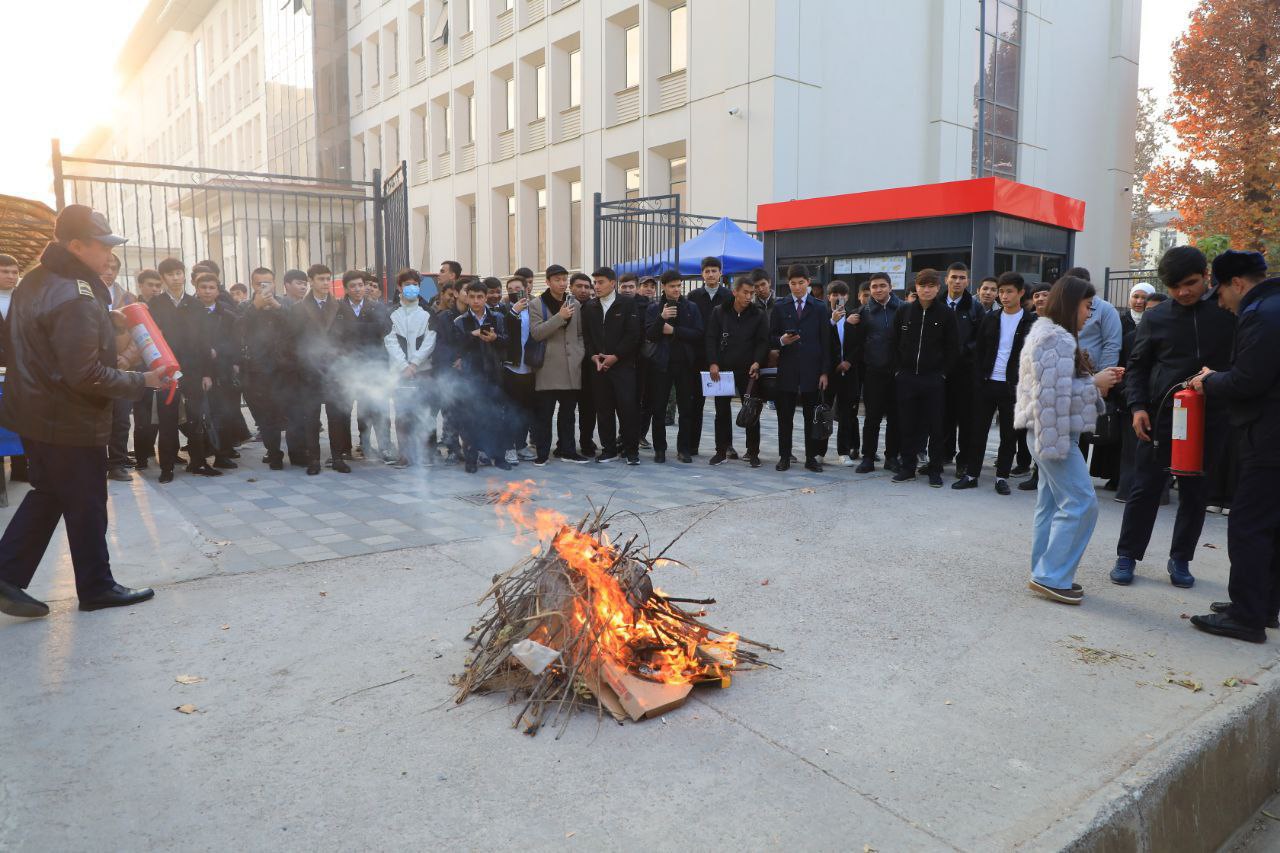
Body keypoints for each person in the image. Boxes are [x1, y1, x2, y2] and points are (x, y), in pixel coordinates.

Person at [0, 204, 165, 618]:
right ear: (75, 245)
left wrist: (103, 322)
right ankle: (96, 587)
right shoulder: (75, 293)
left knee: (52, 493)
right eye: (101, 245)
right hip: (69, 418)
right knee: (87, 502)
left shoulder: (37, 281)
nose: (109, 255)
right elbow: (85, 374)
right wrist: (142, 381)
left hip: (38, 412)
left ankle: (5, 575)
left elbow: (43, 341)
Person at [1109, 246, 1236, 589]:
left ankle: (1181, 559)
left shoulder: (1227, 314)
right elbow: (1138, 366)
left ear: (1206, 276)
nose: (1183, 292)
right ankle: (1128, 555)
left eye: (1191, 283)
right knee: (1145, 488)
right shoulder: (1157, 317)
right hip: (1161, 417)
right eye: (1176, 286)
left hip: (1212, 417)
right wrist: (1137, 407)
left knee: (1196, 493)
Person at [1187, 251, 1280, 642]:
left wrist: (1210, 383)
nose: (1221, 303)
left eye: (1221, 293)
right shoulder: (1273, 306)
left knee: (1248, 526)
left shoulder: (1262, 314)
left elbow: (1248, 381)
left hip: (1269, 437)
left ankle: (1246, 617)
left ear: (1237, 284)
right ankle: (1262, 606)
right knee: (1270, 527)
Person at [1015, 275, 1122, 604]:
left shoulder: (1051, 334)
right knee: (1081, 502)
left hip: (1050, 431)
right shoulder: (1055, 338)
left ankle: (1045, 572)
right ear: (1071, 303)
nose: (1090, 314)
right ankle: (1051, 575)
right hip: (1053, 433)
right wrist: (1096, 383)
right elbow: (1051, 395)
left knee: (1051, 505)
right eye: (1087, 306)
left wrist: (1094, 382)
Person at [953, 271, 1035, 494]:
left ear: (1020, 293)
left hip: (1013, 387)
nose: (1004, 296)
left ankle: (1002, 477)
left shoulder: (1031, 321)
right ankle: (972, 474)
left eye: (1009, 292)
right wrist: (978, 379)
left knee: (1008, 435)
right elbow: (978, 351)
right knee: (977, 431)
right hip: (987, 383)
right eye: (1001, 292)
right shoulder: (990, 318)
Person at [890, 269, 958, 486]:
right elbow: (893, 343)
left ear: (938, 288)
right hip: (907, 378)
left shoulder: (946, 314)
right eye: (922, 286)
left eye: (931, 286)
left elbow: (953, 348)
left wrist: (943, 374)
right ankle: (908, 468)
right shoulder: (904, 311)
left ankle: (935, 470)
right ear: (915, 288)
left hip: (934, 379)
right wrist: (898, 371)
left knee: (935, 426)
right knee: (907, 424)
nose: (926, 290)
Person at [291, 264, 354, 475]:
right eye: (321, 279)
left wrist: (343, 360)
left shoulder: (341, 307)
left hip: (335, 371)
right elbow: (292, 341)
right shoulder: (298, 309)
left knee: (336, 417)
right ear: (311, 280)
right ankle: (314, 460)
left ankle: (337, 458)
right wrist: (304, 364)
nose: (326, 283)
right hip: (309, 372)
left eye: (328, 278)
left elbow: (350, 338)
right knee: (311, 417)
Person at [770, 265, 831, 472]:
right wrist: (782, 340)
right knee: (784, 417)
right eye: (793, 283)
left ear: (808, 283)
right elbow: (770, 337)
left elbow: (826, 342)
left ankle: (811, 457)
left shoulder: (820, 307)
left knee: (810, 417)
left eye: (801, 283)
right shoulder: (780, 306)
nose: (797, 287)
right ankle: (784, 456)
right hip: (787, 369)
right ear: (788, 284)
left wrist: (824, 372)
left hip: (812, 370)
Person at [528, 264, 589, 466]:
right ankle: (543, 452)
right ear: (547, 282)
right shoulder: (537, 304)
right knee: (544, 414)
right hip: (547, 367)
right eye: (557, 280)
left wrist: (579, 353)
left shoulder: (575, 304)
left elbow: (579, 334)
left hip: (571, 366)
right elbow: (537, 333)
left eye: (564, 279)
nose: (562, 284)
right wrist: (559, 317)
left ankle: (567, 450)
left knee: (569, 413)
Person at [581, 266, 642, 465]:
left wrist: (615, 356)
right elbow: (587, 337)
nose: (596, 286)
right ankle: (608, 449)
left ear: (612, 283)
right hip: (599, 368)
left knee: (627, 410)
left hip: (623, 367)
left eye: (600, 282)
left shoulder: (627, 304)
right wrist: (594, 357)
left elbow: (633, 335)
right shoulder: (590, 307)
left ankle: (631, 451)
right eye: (595, 283)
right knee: (603, 410)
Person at [706, 275, 768, 468]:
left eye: (752, 293)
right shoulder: (719, 312)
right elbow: (710, 338)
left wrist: (758, 361)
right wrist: (713, 363)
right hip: (723, 370)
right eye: (745, 292)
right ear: (735, 292)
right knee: (721, 412)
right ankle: (721, 450)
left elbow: (762, 341)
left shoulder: (758, 314)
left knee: (751, 412)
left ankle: (753, 452)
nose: (749, 296)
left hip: (749, 371)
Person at [183, 271, 242, 470]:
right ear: (196, 290)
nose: (207, 291)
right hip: (196, 371)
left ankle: (222, 455)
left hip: (221, 371)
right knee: (196, 415)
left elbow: (235, 343)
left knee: (222, 414)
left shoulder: (227, 316)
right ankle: (197, 457)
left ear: (218, 290)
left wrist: (219, 351)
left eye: (211, 287)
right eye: (203, 287)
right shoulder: (188, 312)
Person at [644, 270, 704, 463]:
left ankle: (683, 449)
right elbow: (650, 335)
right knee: (658, 409)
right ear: (664, 287)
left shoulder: (691, 307)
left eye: (679, 285)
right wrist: (662, 317)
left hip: (685, 364)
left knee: (686, 409)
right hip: (661, 364)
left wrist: (674, 331)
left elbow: (698, 334)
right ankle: (659, 449)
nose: (676, 289)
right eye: (672, 286)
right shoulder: (654, 308)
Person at [452, 280, 511, 473]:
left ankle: (499, 457)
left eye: (480, 297)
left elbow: (508, 342)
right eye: (472, 297)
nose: (476, 301)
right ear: (466, 298)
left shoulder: (498, 317)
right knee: (471, 419)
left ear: (486, 298)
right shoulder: (460, 321)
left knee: (498, 417)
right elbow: (457, 347)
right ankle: (471, 459)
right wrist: (473, 334)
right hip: (471, 377)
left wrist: (496, 339)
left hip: (494, 374)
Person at [239, 267, 293, 470]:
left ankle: (296, 451)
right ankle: (274, 453)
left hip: (284, 369)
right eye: (260, 283)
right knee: (265, 416)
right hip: (257, 370)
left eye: (268, 283)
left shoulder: (285, 303)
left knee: (287, 413)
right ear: (253, 285)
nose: (264, 287)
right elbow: (238, 329)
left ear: (274, 283)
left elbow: (296, 327)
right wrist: (256, 307)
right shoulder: (246, 306)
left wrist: (277, 306)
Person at [852, 272, 903, 473]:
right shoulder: (863, 312)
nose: (878, 290)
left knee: (895, 418)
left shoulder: (903, 308)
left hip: (898, 373)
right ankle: (868, 457)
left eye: (882, 285)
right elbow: (857, 343)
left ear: (890, 287)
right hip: (873, 372)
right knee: (871, 418)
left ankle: (892, 457)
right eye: (874, 286)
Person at [385, 273, 436, 468]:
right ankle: (404, 455)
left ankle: (425, 454)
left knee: (423, 412)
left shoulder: (427, 312)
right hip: (400, 372)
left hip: (423, 370)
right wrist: (404, 366)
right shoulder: (391, 313)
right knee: (403, 414)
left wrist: (414, 364)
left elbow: (430, 340)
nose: (412, 288)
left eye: (415, 284)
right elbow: (389, 340)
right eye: (407, 284)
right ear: (399, 287)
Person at [342, 269, 393, 463]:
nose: (357, 289)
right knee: (357, 409)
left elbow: (386, 333)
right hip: (349, 367)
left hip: (375, 365)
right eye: (353, 286)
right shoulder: (340, 308)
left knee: (379, 407)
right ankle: (362, 445)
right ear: (346, 289)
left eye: (361, 285)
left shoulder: (377, 308)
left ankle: (385, 446)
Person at [687, 257, 734, 457]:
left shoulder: (728, 296)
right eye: (707, 271)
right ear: (702, 274)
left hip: (722, 356)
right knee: (695, 402)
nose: (711, 275)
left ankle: (725, 445)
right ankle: (692, 444)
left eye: (714, 271)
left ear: (720, 273)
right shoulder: (693, 295)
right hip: (698, 355)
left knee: (722, 405)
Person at [940, 262, 983, 478]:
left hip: (966, 372)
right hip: (940, 372)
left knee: (965, 420)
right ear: (946, 279)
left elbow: (981, 338)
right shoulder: (937, 303)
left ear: (968, 281)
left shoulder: (975, 307)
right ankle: (941, 456)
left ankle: (963, 461)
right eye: (954, 277)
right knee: (941, 417)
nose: (957, 281)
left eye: (962, 278)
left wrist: (964, 350)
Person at [498, 275, 538, 466]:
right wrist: (514, 311)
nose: (515, 291)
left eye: (518, 288)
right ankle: (508, 447)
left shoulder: (535, 308)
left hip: (530, 367)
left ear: (526, 289)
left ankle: (521, 444)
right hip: (511, 368)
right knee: (510, 410)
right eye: (511, 289)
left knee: (525, 411)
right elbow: (505, 330)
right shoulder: (504, 309)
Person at [128, 269, 165, 471]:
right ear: (140, 286)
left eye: (158, 285)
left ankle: (156, 451)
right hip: (140, 368)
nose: (155, 289)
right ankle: (142, 456)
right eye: (150, 285)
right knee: (142, 415)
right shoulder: (133, 308)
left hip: (161, 367)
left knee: (160, 413)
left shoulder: (163, 307)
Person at [822, 280, 861, 466]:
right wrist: (832, 321)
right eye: (835, 294)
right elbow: (821, 342)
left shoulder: (854, 317)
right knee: (824, 411)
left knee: (846, 414)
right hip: (828, 373)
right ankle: (819, 451)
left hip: (849, 373)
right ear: (828, 296)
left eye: (842, 295)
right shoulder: (823, 316)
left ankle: (843, 451)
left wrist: (849, 362)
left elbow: (859, 345)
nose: (838, 298)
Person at [0, 253, 28, 483]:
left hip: (21, 369)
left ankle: (21, 469)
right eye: (5, 271)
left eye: (14, 272)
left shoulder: (25, 298)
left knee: (22, 418)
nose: (11, 276)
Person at [570, 273, 599, 456]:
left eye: (587, 287)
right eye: (579, 286)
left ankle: (586, 441)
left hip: (589, 365)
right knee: (568, 409)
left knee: (589, 408)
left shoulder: (595, 307)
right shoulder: (564, 305)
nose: (583, 290)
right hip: (569, 365)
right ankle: (565, 442)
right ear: (571, 287)